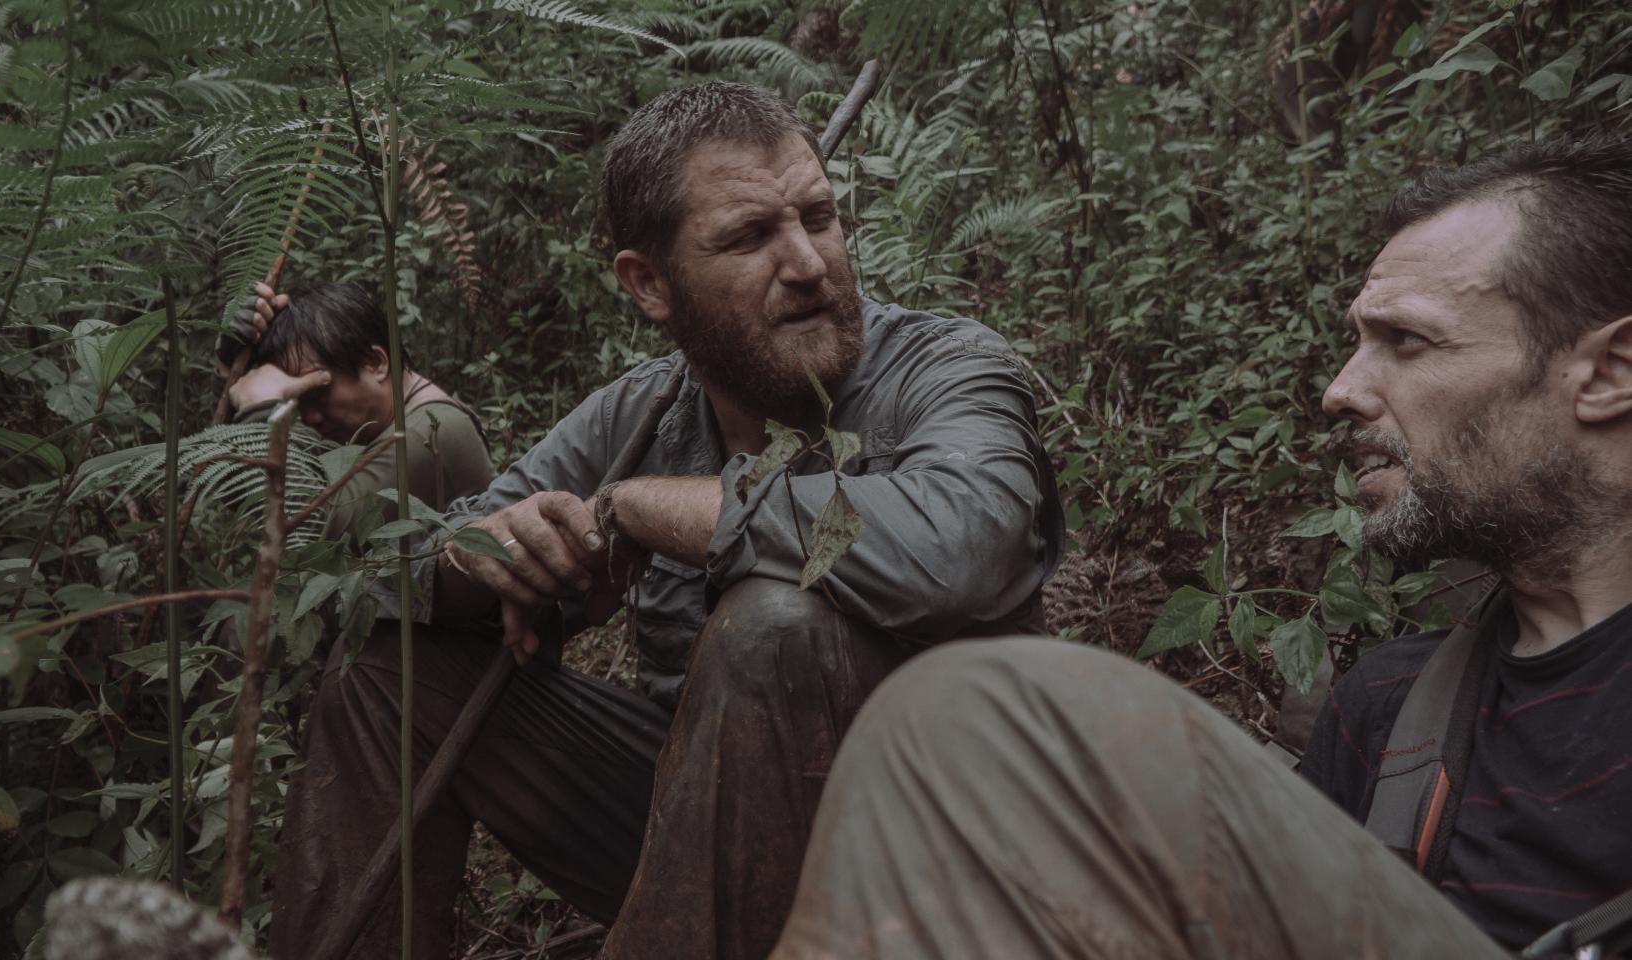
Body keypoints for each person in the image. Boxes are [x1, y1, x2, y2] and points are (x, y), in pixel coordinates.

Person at [768, 136, 1632, 960]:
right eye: (1358, 342)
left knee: (969, 707)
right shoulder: (1390, 707)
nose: (1339, 391)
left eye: (1406, 340)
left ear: (1608, 373)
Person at [267, 82, 1064, 960]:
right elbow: (391, 574)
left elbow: (958, 548)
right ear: (649, 284)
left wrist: (635, 509)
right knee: (386, 669)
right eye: (749, 237)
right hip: (709, 846)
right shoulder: (639, 415)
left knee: (773, 626)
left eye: (819, 217)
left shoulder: (948, 367)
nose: (808, 263)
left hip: (950, 851)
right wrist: (494, 559)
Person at [219, 280, 493, 541]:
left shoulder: (431, 432)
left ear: (375, 363)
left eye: (318, 393)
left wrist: (260, 410)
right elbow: (232, 485)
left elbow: (310, 537)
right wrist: (235, 366)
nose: (310, 417)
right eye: (297, 401)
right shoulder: (362, 428)